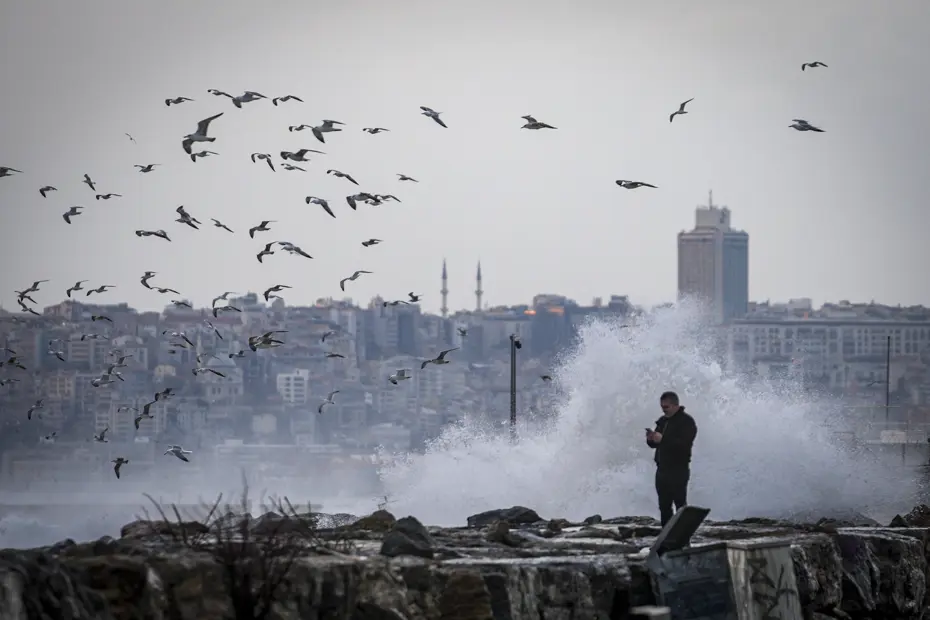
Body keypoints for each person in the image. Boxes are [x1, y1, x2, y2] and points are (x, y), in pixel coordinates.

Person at [646, 391, 698, 527]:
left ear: (676, 405)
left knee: (680, 505)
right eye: (662, 406)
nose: (663, 409)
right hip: (662, 469)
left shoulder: (686, 422)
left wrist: (663, 439)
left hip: (678, 469)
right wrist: (651, 439)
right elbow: (654, 444)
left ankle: (683, 536)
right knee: (664, 506)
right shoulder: (663, 421)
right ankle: (666, 537)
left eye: (666, 407)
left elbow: (684, 444)